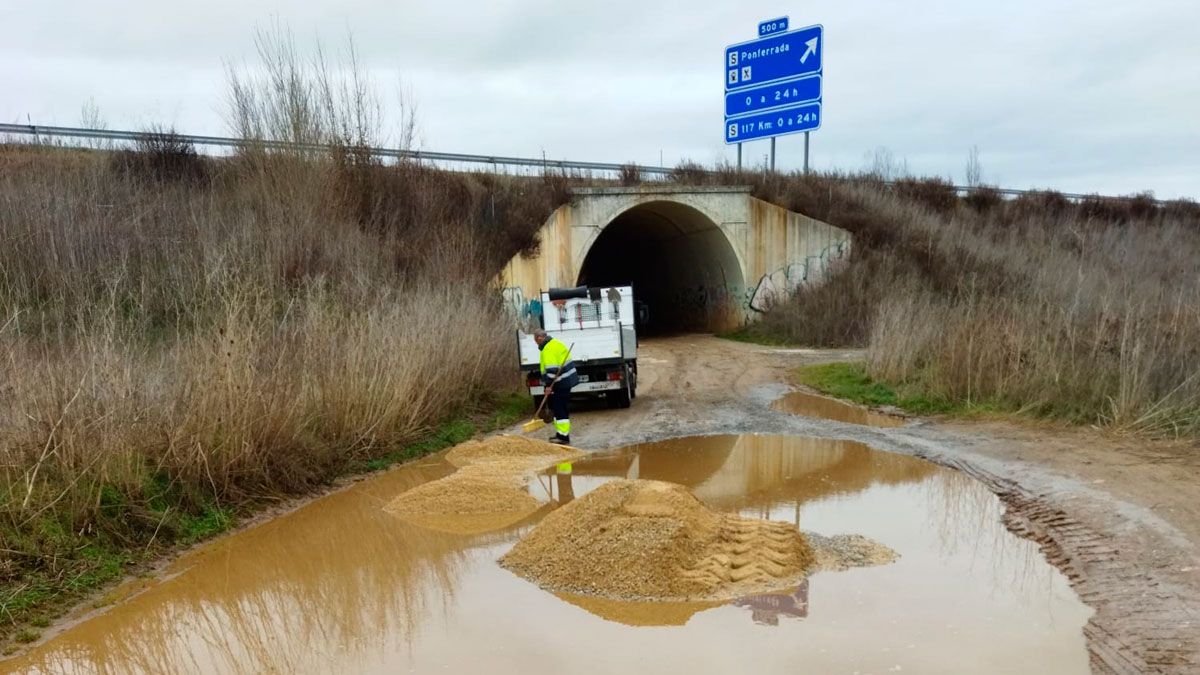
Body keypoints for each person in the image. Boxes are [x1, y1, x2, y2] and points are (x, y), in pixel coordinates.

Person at [532, 329, 577, 445]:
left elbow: (552, 370)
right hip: (564, 381)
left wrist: (548, 386)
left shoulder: (548, 349)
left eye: (535, 340)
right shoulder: (555, 344)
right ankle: (560, 434)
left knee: (560, 409)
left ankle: (563, 437)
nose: (535, 343)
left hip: (561, 383)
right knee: (559, 408)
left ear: (540, 338)